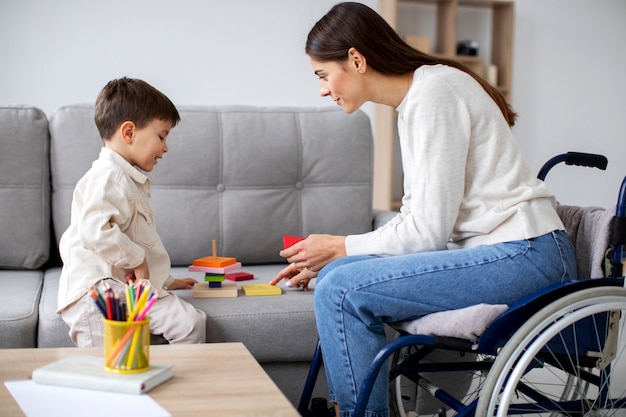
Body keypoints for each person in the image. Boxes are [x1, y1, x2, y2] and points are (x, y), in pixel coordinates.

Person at [270, 3, 577, 417]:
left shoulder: (435, 93)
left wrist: (341, 246)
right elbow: (417, 218)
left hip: (527, 254)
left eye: (323, 75)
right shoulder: (414, 102)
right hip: (502, 251)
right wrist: (337, 258)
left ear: (356, 60)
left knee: (341, 288)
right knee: (338, 277)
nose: (323, 89)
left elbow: (427, 232)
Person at [58, 77, 206, 347]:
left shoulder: (126, 180)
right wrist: (138, 260)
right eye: (161, 136)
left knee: (190, 323)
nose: (165, 147)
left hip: (124, 289)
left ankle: (176, 384)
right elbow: (95, 232)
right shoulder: (107, 178)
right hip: (98, 292)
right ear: (129, 133)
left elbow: (137, 239)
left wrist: (165, 280)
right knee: (113, 368)